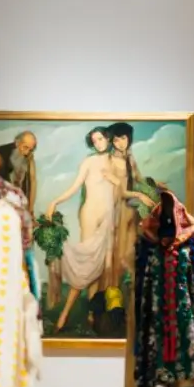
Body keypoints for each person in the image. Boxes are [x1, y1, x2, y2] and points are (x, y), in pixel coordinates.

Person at [44, 124, 152, 331]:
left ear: (108, 139)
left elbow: (124, 191)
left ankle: (93, 313)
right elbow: (75, 187)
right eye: (94, 141)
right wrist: (55, 202)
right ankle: (65, 314)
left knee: (103, 266)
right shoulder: (89, 161)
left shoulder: (118, 162)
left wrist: (136, 192)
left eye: (101, 139)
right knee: (89, 263)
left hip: (109, 216)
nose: (98, 143)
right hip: (90, 214)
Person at [0, 131, 37, 201]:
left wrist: (30, 206)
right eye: (25, 147)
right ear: (17, 143)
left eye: (30, 150)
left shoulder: (29, 157)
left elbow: (32, 181)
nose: (27, 152)